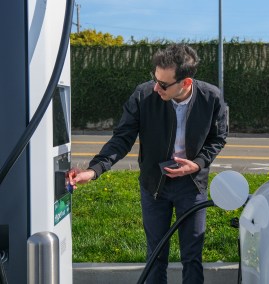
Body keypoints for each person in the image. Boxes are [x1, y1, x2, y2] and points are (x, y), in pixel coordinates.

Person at [68, 43, 228, 284]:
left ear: (185, 83)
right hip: (155, 187)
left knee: (192, 255)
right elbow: (122, 138)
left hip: (192, 186)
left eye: (163, 84)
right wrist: (94, 170)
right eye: (155, 79)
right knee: (156, 255)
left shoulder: (211, 98)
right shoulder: (143, 96)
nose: (156, 87)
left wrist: (198, 164)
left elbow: (218, 137)